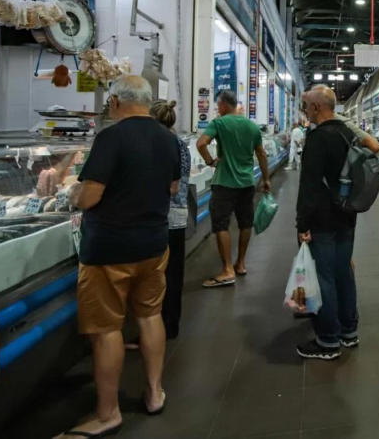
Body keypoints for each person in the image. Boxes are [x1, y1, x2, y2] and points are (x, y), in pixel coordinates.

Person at [62, 76, 181, 438]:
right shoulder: (169, 139)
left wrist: (72, 191)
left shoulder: (111, 137)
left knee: (106, 329)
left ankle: (108, 413)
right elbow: (173, 187)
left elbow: (90, 197)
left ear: (114, 102)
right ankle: (155, 392)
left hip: (109, 250)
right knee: (149, 315)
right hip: (154, 244)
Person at [296, 85, 359, 360]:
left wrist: (302, 224)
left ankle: (328, 340)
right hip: (347, 215)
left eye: (307, 105)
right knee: (343, 272)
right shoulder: (349, 134)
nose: (305, 110)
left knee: (324, 278)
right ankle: (349, 331)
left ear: (317, 107)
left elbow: (309, 186)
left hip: (322, 219)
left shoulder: (318, 139)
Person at [196, 90, 271, 288]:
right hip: (247, 183)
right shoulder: (251, 126)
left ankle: (227, 269)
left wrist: (210, 161)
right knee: (245, 222)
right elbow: (261, 154)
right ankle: (241, 263)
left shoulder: (218, 123)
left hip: (224, 182)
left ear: (222, 104)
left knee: (221, 224)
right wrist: (266, 179)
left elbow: (201, 143)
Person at [149, 99, 190, 340]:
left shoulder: (161, 143)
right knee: (174, 274)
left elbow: (170, 187)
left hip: (162, 215)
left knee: (157, 276)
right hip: (179, 215)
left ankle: (157, 327)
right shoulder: (181, 144)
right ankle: (171, 324)